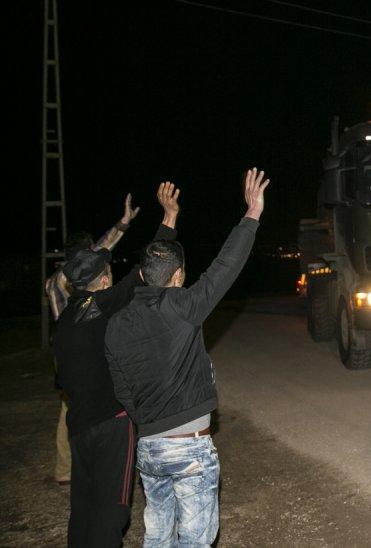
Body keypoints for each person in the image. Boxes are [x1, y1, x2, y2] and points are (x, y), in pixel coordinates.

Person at [105, 168, 270, 547]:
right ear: (178, 275)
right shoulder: (182, 307)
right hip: (189, 447)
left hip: (148, 447)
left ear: (143, 275)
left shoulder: (116, 324)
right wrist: (252, 213)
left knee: (158, 534)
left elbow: (121, 387)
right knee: (195, 540)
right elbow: (225, 267)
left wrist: (147, 420)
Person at [53, 183, 180, 547]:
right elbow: (148, 269)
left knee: (83, 506)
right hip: (112, 424)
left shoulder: (64, 321)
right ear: (105, 279)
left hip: (79, 425)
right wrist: (169, 218)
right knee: (112, 511)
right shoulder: (102, 306)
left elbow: (61, 379)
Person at [45, 194, 140, 486]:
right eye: (89, 251)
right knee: (91, 407)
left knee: (71, 408)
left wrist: (123, 223)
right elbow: (103, 249)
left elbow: (102, 246)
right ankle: (96, 464)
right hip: (84, 347)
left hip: (65, 350)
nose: (95, 253)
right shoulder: (71, 280)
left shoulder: (55, 280)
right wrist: (123, 223)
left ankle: (65, 468)